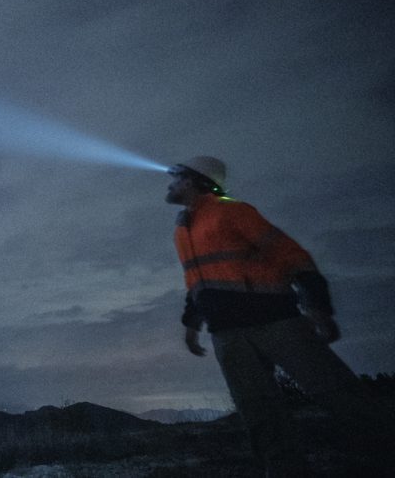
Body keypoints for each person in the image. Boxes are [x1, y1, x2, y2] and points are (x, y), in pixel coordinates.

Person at [165, 156, 392, 475]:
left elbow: (292, 256)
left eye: (176, 177)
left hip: (276, 321)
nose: (170, 184)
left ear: (193, 180)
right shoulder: (183, 229)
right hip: (227, 333)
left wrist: (317, 306)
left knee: (336, 392)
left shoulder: (233, 211)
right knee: (257, 411)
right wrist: (192, 324)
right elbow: (196, 281)